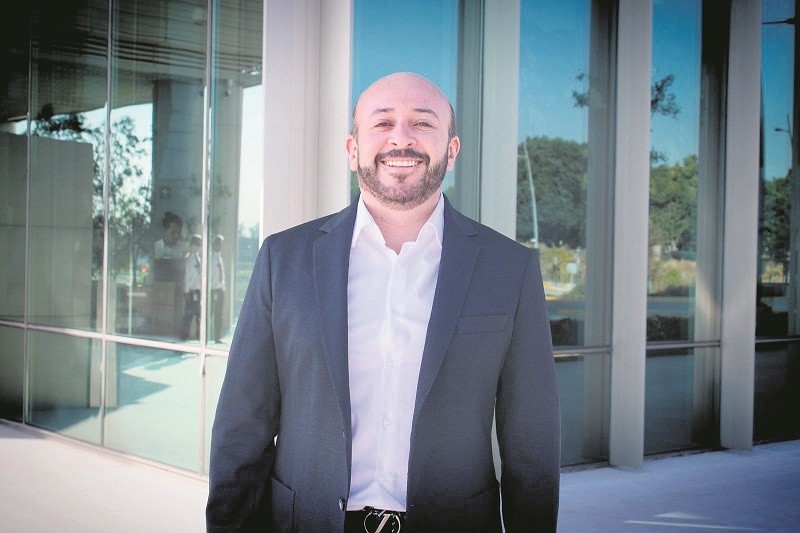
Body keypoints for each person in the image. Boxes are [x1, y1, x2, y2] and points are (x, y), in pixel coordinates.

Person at [207, 72, 560, 532]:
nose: (401, 137)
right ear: (352, 149)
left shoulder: (510, 268)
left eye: (423, 123)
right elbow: (243, 421)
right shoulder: (284, 258)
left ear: (452, 150)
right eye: (383, 122)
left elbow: (532, 438)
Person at [180, 234, 202, 340]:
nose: (198, 246)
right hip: (191, 291)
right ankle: (184, 336)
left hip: (199, 291)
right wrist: (187, 291)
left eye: (199, 244)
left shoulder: (199, 259)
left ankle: (199, 337)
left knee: (199, 315)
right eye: (196, 244)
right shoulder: (189, 259)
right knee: (188, 315)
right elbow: (187, 276)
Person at [210, 234, 226, 342]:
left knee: (219, 314)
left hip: (220, 289)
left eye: (221, 244)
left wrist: (223, 287)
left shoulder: (220, 258)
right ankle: (206, 336)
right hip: (213, 289)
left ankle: (217, 337)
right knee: (211, 313)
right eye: (218, 244)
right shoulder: (211, 258)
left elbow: (222, 274)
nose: (220, 246)